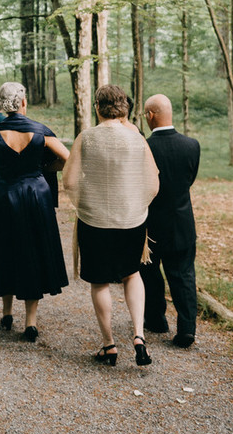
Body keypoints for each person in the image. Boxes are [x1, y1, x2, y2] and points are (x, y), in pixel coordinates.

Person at [63, 84, 159, 367]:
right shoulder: (137, 138)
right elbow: (153, 182)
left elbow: (68, 182)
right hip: (132, 221)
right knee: (132, 275)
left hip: (95, 221)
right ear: (125, 108)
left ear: (97, 108)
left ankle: (109, 344)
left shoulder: (87, 138)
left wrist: (84, 203)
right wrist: (137, 207)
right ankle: (139, 336)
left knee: (100, 282)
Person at [0, 82, 69, 342]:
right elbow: (66, 159)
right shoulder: (41, 131)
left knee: (7, 250)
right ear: (23, 103)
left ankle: (7, 313)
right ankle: (30, 322)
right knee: (34, 251)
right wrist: (44, 168)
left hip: (7, 196)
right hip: (37, 197)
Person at [141, 93, 201, 348]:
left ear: (150, 116)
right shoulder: (192, 145)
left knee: (150, 273)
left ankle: (156, 320)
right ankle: (187, 329)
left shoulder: (144, 147)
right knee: (183, 275)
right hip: (181, 222)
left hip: (150, 224)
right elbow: (189, 180)